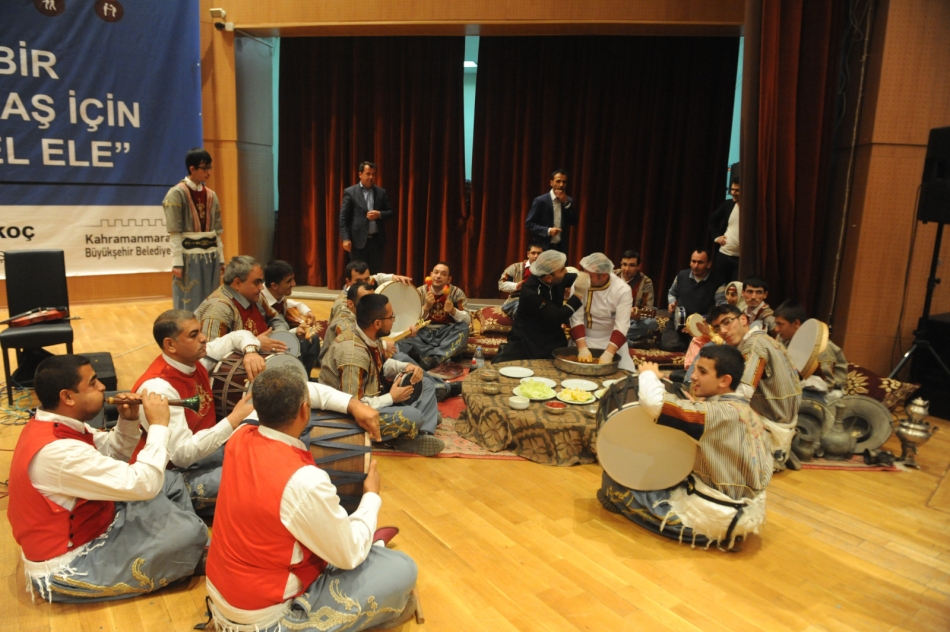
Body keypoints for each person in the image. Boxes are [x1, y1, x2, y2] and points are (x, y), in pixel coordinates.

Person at [206, 365, 419, 631]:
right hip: (262, 616)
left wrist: (353, 404)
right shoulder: (302, 480)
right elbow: (349, 555)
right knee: (402, 568)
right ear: (304, 410)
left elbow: (306, 391)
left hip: (222, 590)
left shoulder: (240, 434)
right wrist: (371, 497)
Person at [8, 355, 207, 602]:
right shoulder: (58, 452)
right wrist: (159, 425)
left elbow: (113, 453)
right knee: (189, 533)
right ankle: (179, 542)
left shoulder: (59, 423)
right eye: (93, 383)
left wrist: (129, 419)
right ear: (67, 397)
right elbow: (143, 485)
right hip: (71, 562)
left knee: (171, 481)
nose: (102, 387)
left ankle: (175, 541)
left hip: (99, 518)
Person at [598, 348, 772, 551]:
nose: (694, 376)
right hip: (749, 508)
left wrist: (648, 374)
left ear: (724, 380)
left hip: (716, 514)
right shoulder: (746, 411)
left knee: (614, 483)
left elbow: (654, 402)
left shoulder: (717, 413)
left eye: (703, 372)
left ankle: (710, 533)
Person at [132, 309, 259, 514]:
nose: (203, 338)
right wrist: (234, 419)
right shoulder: (159, 388)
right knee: (251, 475)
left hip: (205, 454)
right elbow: (181, 456)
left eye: (200, 331)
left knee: (262, 454)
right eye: (194, 335)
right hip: (172, 477)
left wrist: (251, 350)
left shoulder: (194, 359)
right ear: (170, 345)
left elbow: (236, 336)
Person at [320, 293, 446, 456]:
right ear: (377, 323)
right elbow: (353, 405)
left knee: (426, 384)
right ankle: (413, 429)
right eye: (391, 317)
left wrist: (406, 367)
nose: (393, 320)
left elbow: (380, 364)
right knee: (413, 415)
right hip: (347, 417)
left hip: (371, 398)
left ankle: (421, 433)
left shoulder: (368, 334)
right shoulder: (352, 355)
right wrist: (391, 398)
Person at [707, 304, 802, 471]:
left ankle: (770, 453)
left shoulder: (754, 345)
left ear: (743, 319)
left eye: (727, 322)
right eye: (717, 328)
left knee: (713, 408)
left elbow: (743, 392)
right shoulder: (767, 339)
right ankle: (780, 450)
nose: (723, 331)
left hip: (773, 422)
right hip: (786, 419)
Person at [493, 250, 583, 363]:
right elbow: (558, 316)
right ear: (549, 278)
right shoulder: (531, 292)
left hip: (552, 335)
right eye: (562, 270)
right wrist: (578, 295)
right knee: (503, 365)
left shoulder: (558, 277)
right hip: (527, 337)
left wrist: (587, 277)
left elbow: (578, 277)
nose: (566, 271)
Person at [163, 148, 225, 311]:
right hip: (189, 258)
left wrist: (221, 259)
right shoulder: (177, 193)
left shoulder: (211, 195)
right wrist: (177, 262)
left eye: (210, 168)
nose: (209, 172)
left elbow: (217, 233)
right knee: (189, 300)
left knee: (211, 300)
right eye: (205, 168)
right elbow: (174, 232)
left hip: (210, 256)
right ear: (192, 169)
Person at [194, 255, 290, 353]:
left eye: (261, 282)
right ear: (237, 284)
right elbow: (209, 352)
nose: (261, 287)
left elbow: (276, 318)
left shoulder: (256, 297)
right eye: (257, 282)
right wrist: (254, 344)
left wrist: (280, 337)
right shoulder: (218, 308)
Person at [569, 253, 636, 372]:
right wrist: (582, 348)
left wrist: (609, 353)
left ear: (604, 275)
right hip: (582, 339)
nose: (585, 278)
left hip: (611, 341)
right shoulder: (580, 283)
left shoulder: (622, 290)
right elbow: (576, 317)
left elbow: (622, 325)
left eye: (590, 276)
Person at [398, 262, 470, 370]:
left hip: (446, 333)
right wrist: (426, 307)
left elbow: (468, 320)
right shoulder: (420, 292)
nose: (438, 276)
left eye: (443, 274)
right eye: (436, 272)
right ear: (431, 275)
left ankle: (430, 359)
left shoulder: (456, 293)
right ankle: (442, 356)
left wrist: (453, 311)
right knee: (405, 332)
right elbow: (409, 319)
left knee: (464, 328)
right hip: (424, 332)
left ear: (449, 279)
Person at [773, 300, 849, 402]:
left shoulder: (823, 347)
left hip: (824, 395)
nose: (776, 329)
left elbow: (829, 384)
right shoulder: (785, 340)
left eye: (780, 324)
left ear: (796, 323)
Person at [263, 260, 322, 375]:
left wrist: (307, 311)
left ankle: (305, 377)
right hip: (270, 345)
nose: (294, 284)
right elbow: (272, 336)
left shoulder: (276, 295)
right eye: (289, 281)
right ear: (274, 285)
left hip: (284, 335)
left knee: (313, 338)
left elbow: (291, 303)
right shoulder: (260, 301)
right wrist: (296, 331)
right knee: (298, 343)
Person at [340, 161, 394, 274]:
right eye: (368, 174)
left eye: (373, 174)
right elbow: (343, 218)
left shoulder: (381, 192)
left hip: (376, 241)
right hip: (357, 242)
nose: (371, 177)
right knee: (358, 273)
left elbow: (390, 213)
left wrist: (379, 214)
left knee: (375, 274)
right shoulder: (350, 192)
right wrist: (345, 238)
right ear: (360, 174)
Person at [664, 249, 723, 351]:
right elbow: (672, 293)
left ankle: (690, 344)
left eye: (700, 262)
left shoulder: (718, 282)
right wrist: (672, 303)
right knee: (668, 345)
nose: (695, 266)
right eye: (693, 261)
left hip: (700, 325)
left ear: (709, 264)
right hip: (678, 321)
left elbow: (720, 307)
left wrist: (699, 321)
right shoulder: (681, 275)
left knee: (705, 347)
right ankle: (687, 344)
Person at [329, 260, 412, 322]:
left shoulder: (364, 284)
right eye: (358, 281)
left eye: (366, 279)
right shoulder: (343, 305)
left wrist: (393, 277)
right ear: (348, 282)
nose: (364, 284)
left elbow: (377, 277)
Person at [321, 281, 376, 366]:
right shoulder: (343, 322)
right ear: (350, 304)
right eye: (366, 301)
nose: (372, 306)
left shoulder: (363, 315)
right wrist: (384, 345)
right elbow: (355, 345)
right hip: (338, 366)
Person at [525, 169, 578, 254]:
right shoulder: (540, 201)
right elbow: (529, 224)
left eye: (564, 182)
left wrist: (566, 203)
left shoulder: (568, 200)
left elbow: (574, 221)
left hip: (560, 248)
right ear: (551, 182)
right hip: (543, 247)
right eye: (558, 181)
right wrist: (548, 231)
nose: (561, 184)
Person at [616, 249, 658, 345]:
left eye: (631, 265)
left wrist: (637, 315)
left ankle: (613, 338)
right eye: (624, 264)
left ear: (638, 266)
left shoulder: (646, 282)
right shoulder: (611, 276)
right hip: (612, 318)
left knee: (650, 324)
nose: (627, 269)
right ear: (621, 264)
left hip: (632, 321)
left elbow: (647, 307)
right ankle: (631, 342)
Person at [498, 241, 545, 316]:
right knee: (523, 307)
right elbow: (501, 284)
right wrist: (516, 286)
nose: (536, 256)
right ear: (528, 254)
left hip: (539, 301)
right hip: (516, 301)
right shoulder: (515, 267)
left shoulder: (548, 271)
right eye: (533, 253)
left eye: (539, 253)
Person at [709, 175, 740, 282]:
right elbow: (712, 219)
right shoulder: (728, 204)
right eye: (732, 189)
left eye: (737, 190)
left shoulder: (751, 208)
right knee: (720, 287)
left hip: (741, 259)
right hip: (723, 255)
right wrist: (716, 236)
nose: (733, 193)